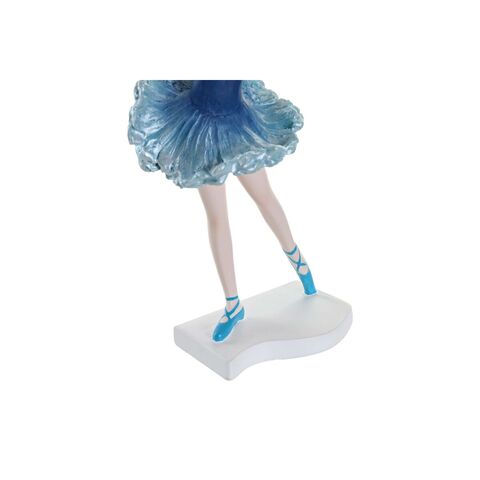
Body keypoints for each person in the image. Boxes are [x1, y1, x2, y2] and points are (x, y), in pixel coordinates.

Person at [128, 80, 317, 343]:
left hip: (238, 127)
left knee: (264, 198)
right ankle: (233, 305)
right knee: (218, 217)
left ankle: (299, 262)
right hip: (199, 129)